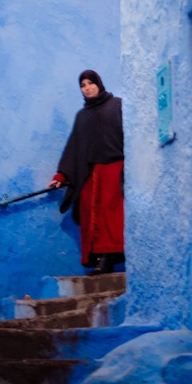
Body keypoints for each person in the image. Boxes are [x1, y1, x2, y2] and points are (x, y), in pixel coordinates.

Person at [49, 69, 124, 274]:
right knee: (91, 215)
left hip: (114, 170)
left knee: (111, 215)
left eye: (90, 83)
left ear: (99, 84)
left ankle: (108, 258)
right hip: (89, 174)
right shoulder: (82, 116)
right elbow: (74, 147)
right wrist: (61, 176)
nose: (87, 88)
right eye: (82, 85)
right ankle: (97, 259)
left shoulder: (117, 105)